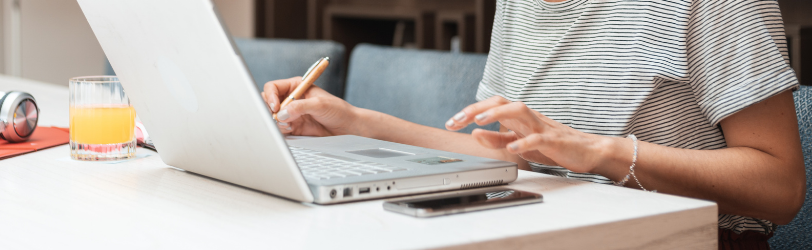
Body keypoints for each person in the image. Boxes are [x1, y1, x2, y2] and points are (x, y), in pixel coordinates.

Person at [262, 0, 805, 248]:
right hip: (542, 229)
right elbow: (512, 156)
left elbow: (780, 189)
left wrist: (602, 153)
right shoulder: (518, 5)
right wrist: (356, 122)